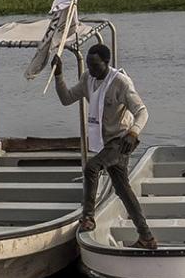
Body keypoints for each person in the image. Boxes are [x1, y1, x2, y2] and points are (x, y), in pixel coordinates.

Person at [53, 43, 158, 250]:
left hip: (120, 141)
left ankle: (88, 217)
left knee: (91, 167)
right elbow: (66, 99)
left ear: (106, 63)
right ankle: (147, 237)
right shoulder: (87, 79)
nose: (92, 69)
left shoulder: (120, 82)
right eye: (89, 65)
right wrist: (59, 75)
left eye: (96, 65)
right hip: (104, 142)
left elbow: (143, 112)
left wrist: (133, 132)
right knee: (123, 190)